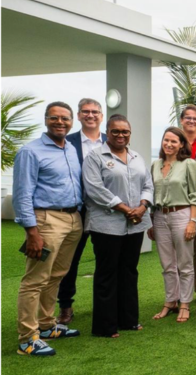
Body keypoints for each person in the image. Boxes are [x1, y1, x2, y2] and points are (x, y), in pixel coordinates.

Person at [13, 102, 83, 356]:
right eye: (54, 118)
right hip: (46, 220)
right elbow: (22, 194)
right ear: (46, 120)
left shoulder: (72, 149)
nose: (60, 122)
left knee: (57, 274)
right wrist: (32, 231)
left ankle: (46, 325)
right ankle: (27, 338)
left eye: (65, 118)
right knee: (35, 279)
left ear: (71, 121)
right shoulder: (31, 152)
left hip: (73, 218)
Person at [83, 114, 153, 338]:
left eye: (125, 132)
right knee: (107, 273)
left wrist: (142, 207)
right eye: (115, 131)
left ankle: (129, 320)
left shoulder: (137, 157)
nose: (121, 135)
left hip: (135, 224)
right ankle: (106, 326)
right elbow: (94, 189)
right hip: (107, 225)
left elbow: (148, 185)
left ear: (130, 134)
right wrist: (124, 208)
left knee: (129, 271)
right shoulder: (95, 157)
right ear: (107, 132)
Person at [56, 98, 107, 326]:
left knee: (105, 259)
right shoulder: (67, 142)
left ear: (101, 116)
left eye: (95, 112)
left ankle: (105, 303)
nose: (90, 115)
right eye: (86, 112)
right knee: (69, 261)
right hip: (77, 211)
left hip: (105, 211)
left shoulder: (112, 141)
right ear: (78, 116)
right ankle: (65, 306)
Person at [148, 127, 196, 323]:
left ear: (181, 144)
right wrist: (152, 221)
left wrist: (192, 222)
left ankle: (185, 303)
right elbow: (152, 195)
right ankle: (171, 301)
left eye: (173, 141)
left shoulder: (189, 164)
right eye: (166, 140)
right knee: (167, 264)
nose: (169, 144)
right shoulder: (155, 164)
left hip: (182, 215)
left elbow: (195, 195)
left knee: (185, 263)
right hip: (160, 217)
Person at [179, 105, 196, 291]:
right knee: (179, 248)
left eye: (195, 118)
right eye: (188, 117)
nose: (191, 121)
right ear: (182, 120)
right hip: (178, 202)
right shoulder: (173, 140)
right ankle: (179, 288)